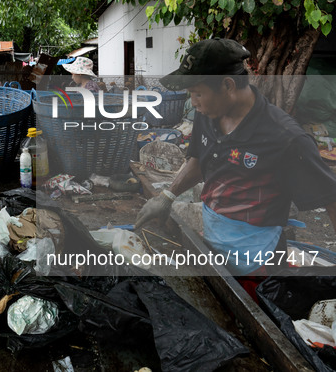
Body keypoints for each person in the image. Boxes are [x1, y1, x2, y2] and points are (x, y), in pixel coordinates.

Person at [134, 38, 336, 277]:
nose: (193, 102)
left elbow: (330, 196)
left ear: (228, 85)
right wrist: (167, 196)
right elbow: (198, 161)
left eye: (198, 93)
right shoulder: (207, 114)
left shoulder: (285, 138)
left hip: (259, 262)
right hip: (213, 247)